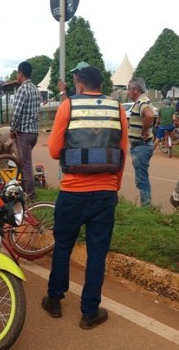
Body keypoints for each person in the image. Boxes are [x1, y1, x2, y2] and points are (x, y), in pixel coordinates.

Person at [42, 66, 128, 330]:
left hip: (72, 192)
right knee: (97, 254)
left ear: (78, 84)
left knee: (63, 247)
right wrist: (114, 187)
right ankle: (90, 312)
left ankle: (54, 301)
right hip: (104, 193)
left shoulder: (68, 106)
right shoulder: (118, 109)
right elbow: (122, 154)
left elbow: (55, 151)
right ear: (101, 85)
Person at [10, 61, 41, 200]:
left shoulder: (22, 90)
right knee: (24, 162)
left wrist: (12, 129)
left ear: (21, 73)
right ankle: (24, 188)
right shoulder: (35, 89)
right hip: (34, 132)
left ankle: (30, 194)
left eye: (17, 73)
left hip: (24, 133)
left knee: (26, 164)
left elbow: (17, 113)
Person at [127, 77, 155, 206]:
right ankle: (146, 204)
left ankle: (146, 206)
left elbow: (149, 115)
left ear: (135, 90)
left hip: (141, 146)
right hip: (141, 146)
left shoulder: (142, 102)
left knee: (141, 178)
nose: (128, 92)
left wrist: (143, 131)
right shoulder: (143, 101)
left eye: (129, 89)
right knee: (141, 177)